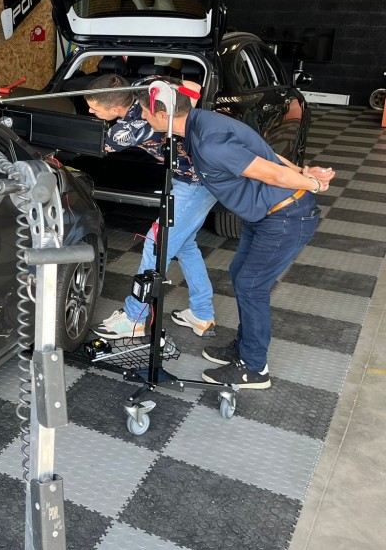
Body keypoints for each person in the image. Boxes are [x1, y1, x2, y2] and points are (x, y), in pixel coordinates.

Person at [135, 83, 335, 389]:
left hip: (285, 217)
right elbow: (268, 156)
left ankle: (254, 368)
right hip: (266, 215)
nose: (142, 117)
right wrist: (304, 171)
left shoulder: (210, 142)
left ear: (163, 114)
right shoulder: (202, 121)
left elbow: (273, 173)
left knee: (251, 285)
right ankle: (244, 348)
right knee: (240, 273)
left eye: (145, 112)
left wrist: (315, 185)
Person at [85, 75, 218, 340]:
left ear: (115, 109)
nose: (90, 112)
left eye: (94, 109)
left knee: (156, 243)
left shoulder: (126, 130)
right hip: (195, 178)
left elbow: (91, 144)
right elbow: (194, 88)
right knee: (185, 245)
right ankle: (202, 314)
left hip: (197, 182)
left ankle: (135, 318)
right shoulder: (147, 85)